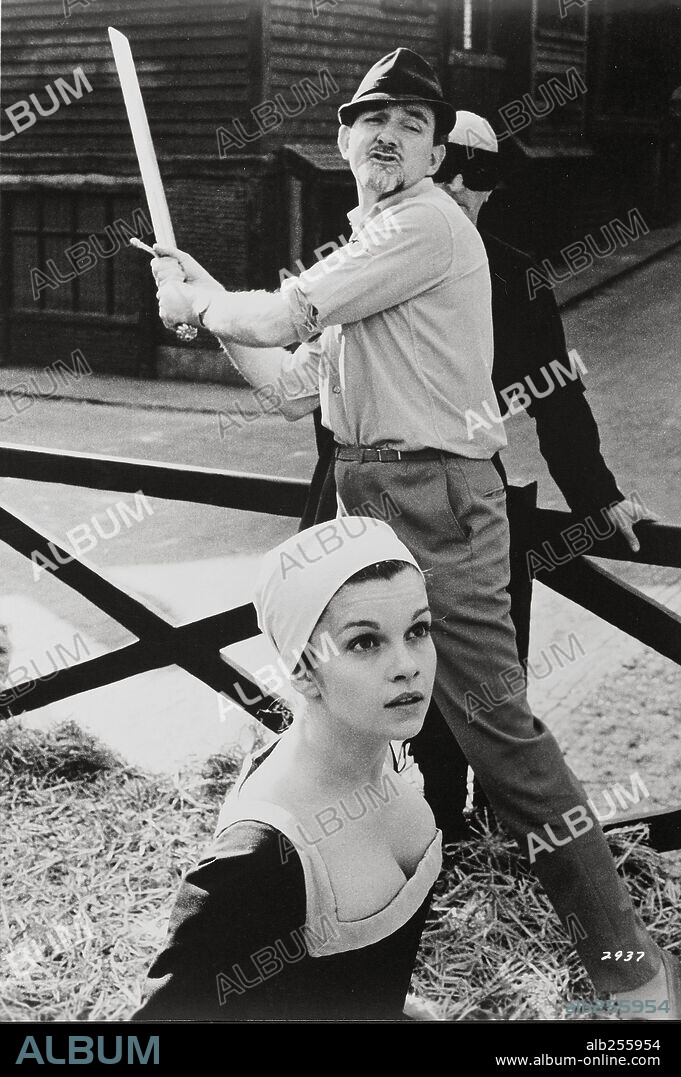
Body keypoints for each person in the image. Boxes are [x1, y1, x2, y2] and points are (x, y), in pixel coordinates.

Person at [149, 48, 680, 1017]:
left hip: (439, 498)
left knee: (504, 744)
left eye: (412, 124)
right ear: (343, 140)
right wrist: (205, 301)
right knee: (357, 731)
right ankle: (354, 956)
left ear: (435, 153)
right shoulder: (366, 251)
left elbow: (284, 313)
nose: (387, 135)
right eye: (370, 120)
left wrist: (211, 305)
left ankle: (635, 977)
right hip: (367, 497)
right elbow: (286, 382)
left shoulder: (424, 227)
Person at [297, 110, 659, 837]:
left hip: (462, 500)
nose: (463, 187)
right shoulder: (361, 257)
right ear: (427, 167)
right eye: (451, 168)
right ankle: (405, 839)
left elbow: (555, 393)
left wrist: (598, 495)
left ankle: (494, 835)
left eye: (481, 174)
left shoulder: (513, 276)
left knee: (479, 687)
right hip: (367, 495)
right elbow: (319, 389)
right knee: (366, 678)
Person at [133, 518, 442, 1021]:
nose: (408, 664)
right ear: (300, 669)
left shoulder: (381, 750)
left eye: (418, 630)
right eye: (365, 642)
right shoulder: (257, 858)